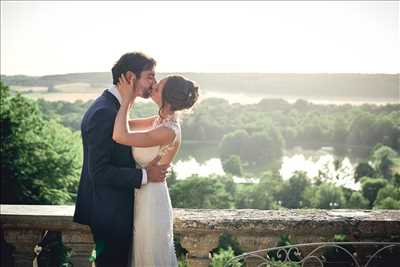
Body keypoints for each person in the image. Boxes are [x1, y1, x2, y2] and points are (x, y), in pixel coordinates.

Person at [73, 52, 169, 267]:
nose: (153, 82)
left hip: (112, 210)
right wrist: (145, 175)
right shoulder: (104, 112)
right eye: (150, 76)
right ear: (130, 77)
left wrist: (168, 117)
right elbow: (99, 171)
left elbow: (128, 133)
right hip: (109, 214)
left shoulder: (112, 107)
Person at [113, 73, 199, 266]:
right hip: (142, 194)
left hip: (152, 200)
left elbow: (120, 135)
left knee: (150, 255)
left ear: (167, 99)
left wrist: (127, 98)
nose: (153, 87)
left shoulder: (167, 131)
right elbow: (125, 125)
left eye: (158, 87)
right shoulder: (158, 120)